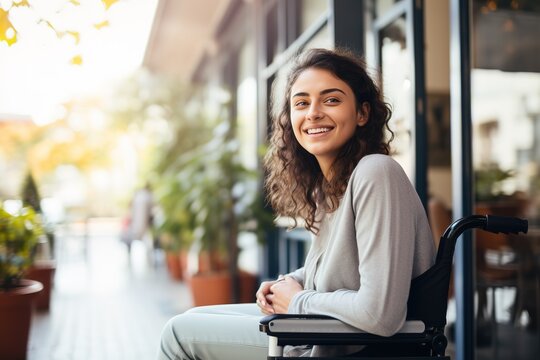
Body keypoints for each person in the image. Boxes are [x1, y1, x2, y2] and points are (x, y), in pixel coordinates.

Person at [157, 48, 435, 359]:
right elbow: (344, 267)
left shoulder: (376, 173)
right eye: (301, 103)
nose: (313, 112)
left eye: (331, 100)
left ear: (362, 113)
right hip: (323, 332)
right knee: (194, 318)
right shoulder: (332, 187)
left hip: (350, 348)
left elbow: (381, 314)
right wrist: (289, 283)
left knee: (178, 334)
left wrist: (299, 300)